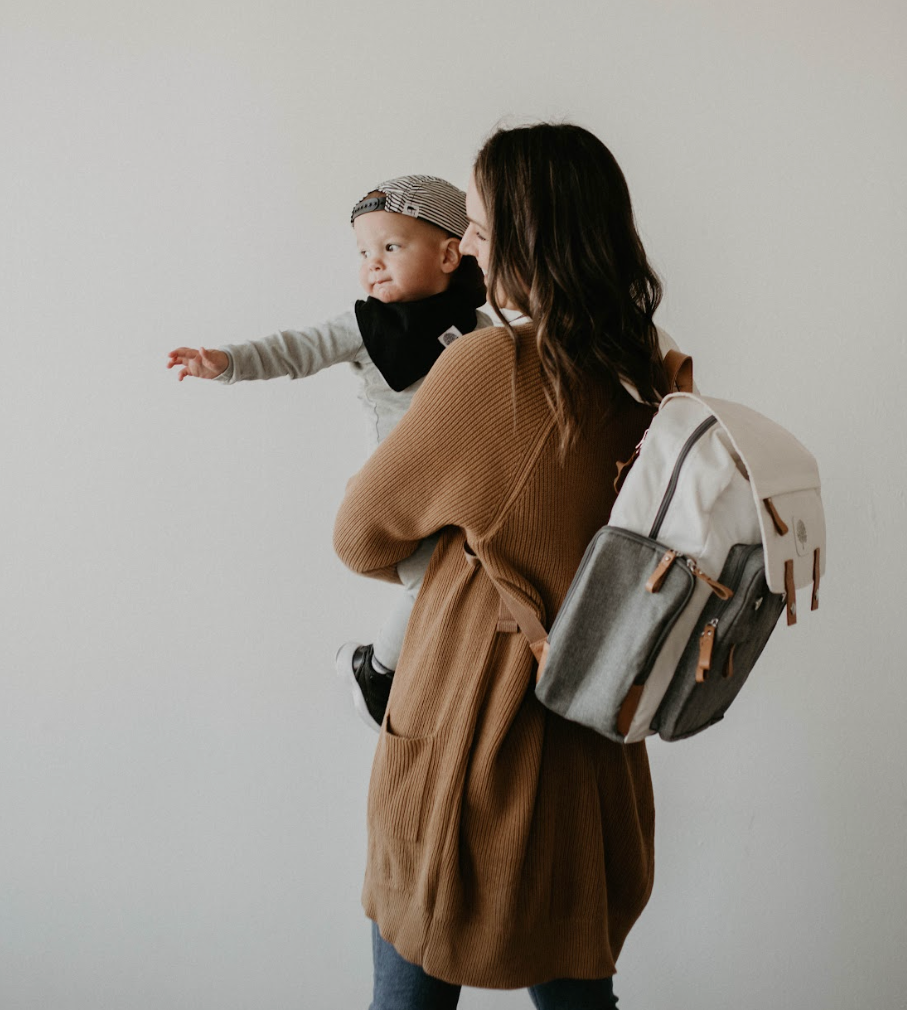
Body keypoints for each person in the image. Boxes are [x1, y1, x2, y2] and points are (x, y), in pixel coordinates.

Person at [333, 123, 683, 1008]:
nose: (471, 246)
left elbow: (360, 535)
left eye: (484, 224)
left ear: (533, 235)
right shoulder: (653, 371)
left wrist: (455, 538)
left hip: (470, 726)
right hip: (591, 734)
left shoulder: (494, 368)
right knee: (578, 992)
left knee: (408, 993)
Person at [166, 176, 491, 730]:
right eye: (364, 252)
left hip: (458, 487)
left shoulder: (479, 329)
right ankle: (379, 672)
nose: (374, 264)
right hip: (398, 489)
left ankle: (436, 679)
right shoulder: (364, 326)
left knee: (471, 580)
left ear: (449, 254)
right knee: (430, 580)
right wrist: (228, 361)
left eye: (391, 247)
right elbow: (297, 348)